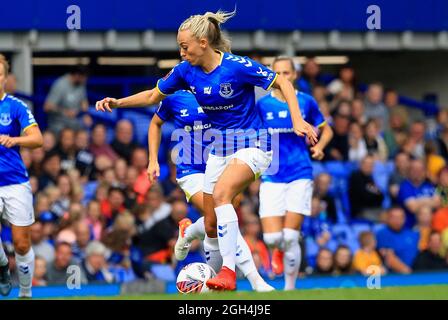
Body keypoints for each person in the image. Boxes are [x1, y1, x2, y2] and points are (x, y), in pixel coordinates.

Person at [95, 10, 317, 291]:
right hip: (220, 151)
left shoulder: (237, 66)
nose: (181, 52)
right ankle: (194, 236)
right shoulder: (184, 71)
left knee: (223, 196)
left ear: (203, 43)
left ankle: (229, 272)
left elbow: (282, 82)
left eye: (184, 46)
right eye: (179, 47)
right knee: (212, 219)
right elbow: (153, 96)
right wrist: (117, 102)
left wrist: (297, 119)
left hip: (254, 144)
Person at [147, 89, 274, 291]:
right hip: (191, 171)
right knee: (217, 217)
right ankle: (255, 280)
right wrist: (153, 159)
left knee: (213, 224)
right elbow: (155, 122)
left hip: (223, 163)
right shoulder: (176, 94)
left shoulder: (223, 90)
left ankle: (188, 231)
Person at [256, 56, 333, 290]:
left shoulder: (306, 102)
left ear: (295, 75)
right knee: (271, 239)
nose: (282, 77)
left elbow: (326, 130)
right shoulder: (262, 105)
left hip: (300, 172)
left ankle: (289, 289)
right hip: (271, 175)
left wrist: (318, 147)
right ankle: (278, 255)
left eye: (286, 73)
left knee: (290, 236)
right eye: (277, 73)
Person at [0, 54, 44, 298]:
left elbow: (37, 139)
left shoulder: (15, 106)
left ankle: (25, 292)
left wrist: (14, 139)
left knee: (22, 244)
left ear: (5, 78)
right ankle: (2, 266)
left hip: (15, 181)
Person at [44, 65, 89, 134]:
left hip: (75, 124)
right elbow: (47, 106)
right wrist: (65, 112)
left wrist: (86, 115)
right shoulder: (60, 84)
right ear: (77, 75)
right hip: (59, 125)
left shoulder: (81, 85)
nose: (85, 80)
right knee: (68, 135)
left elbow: (84, 102)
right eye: (84, 78)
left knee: (84, 135)